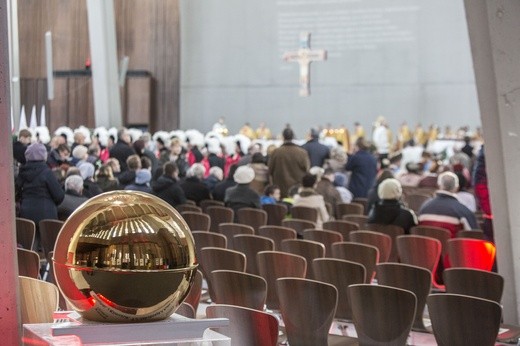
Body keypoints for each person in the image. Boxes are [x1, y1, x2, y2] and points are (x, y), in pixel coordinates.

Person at [15, 143, 65, 249]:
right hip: (47, 214)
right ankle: (46, 265)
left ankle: (31, 264)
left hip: (26, 214)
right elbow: (59, 195)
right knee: (48, 247)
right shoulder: (47, 172)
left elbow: (17, 192)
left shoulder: (22, 173)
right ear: (43, 156)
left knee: (30, 245)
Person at [418, 171, 478, 237]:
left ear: (438, 185)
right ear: (457, 187)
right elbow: (474, 236)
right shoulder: (463, 212)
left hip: (427, 247)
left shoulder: (423, 208)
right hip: (453, 247)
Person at [268, 128, 310, 198]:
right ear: (293, 137)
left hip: (280, 190)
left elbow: (270, 170)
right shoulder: (302, 153)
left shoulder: (276, 152)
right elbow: (307, 169)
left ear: (283, 137)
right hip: (297, 190)